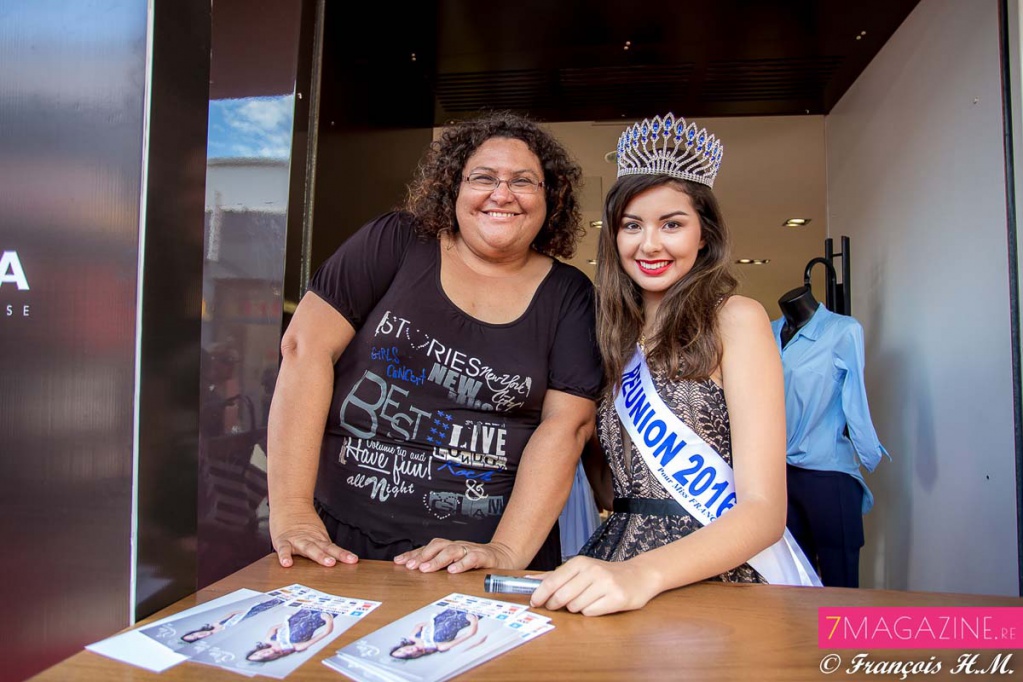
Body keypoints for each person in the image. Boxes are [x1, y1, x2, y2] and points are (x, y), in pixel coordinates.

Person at [267, 112, 602, 575]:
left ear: (552, 198)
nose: (502, 193)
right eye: (483, 177)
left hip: (482, 558)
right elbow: (305, 349)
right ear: (453, 187)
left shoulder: (570, 295)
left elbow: (568, 425)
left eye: (524, 181)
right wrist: (293, 513)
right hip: (338, 542)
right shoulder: (397, 241)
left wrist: (505, 552)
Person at [531, 113, 819, 618]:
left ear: (704, 234)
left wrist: (640, 574)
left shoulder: (735, 319)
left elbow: (764, 511)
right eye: (632, 225)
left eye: (672, 224)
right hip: (617, 561)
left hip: (714, 574)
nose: (650, 244)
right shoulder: (611, 337)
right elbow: (613, 483)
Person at [773, 285, 889, 588]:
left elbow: (854, 396)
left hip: (828, 474)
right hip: (779, 477)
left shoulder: (843, 331)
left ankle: (841, 625)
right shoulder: (768, 333)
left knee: (840, 583)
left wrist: (868, 451)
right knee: (792, 581)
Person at [389, 609, 485, 660]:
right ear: (412, 656)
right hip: (466, 617)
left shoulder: (413, 637)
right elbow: (469, 634)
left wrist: (435, 621)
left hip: (451, 610)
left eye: (400, 650)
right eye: (404, 654)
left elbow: (419, 625)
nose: (405, 650)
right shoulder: (439, 647)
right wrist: (473, 621)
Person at [245, 609, 334, 663]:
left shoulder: (268, 640)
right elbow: (325, 633)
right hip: (321, 616)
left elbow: (274, 627)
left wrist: (288, 621)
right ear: (268, 659)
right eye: (261, 657)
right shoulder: (297, 647)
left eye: (256, 654)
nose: (261, 653)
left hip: (304, 611)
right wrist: (328, 620)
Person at [180, 597, 283, 642]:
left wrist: (244, 612)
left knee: (276, 602)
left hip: (252, 612)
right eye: (195, 638)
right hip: (259, 619)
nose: (198, 635)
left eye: (193, 634)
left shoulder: (215, 624)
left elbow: (231, 613)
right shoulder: (221, 637)